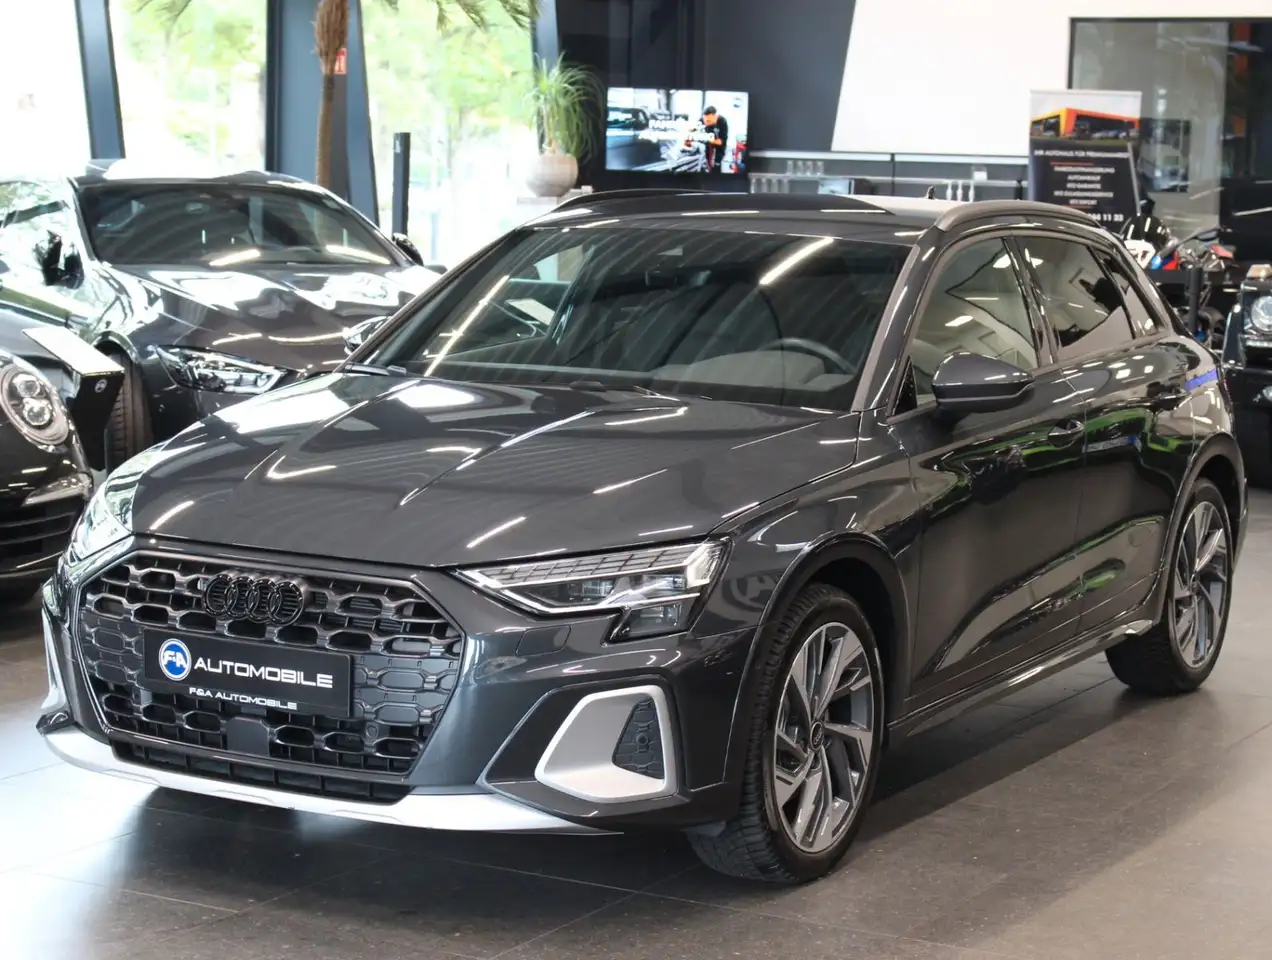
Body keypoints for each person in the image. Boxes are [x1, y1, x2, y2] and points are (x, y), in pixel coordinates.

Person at [701, 106, 729, 173]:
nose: (707, 122)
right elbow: (694, 129)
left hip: (719, 147)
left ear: (715, 116)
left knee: (717, 166)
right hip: (708, 146)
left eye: (709, 120)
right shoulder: (704, 119)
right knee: (706, 163)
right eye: (706, 120)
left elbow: (721, 141)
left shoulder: (722, 122)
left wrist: (706, 139)